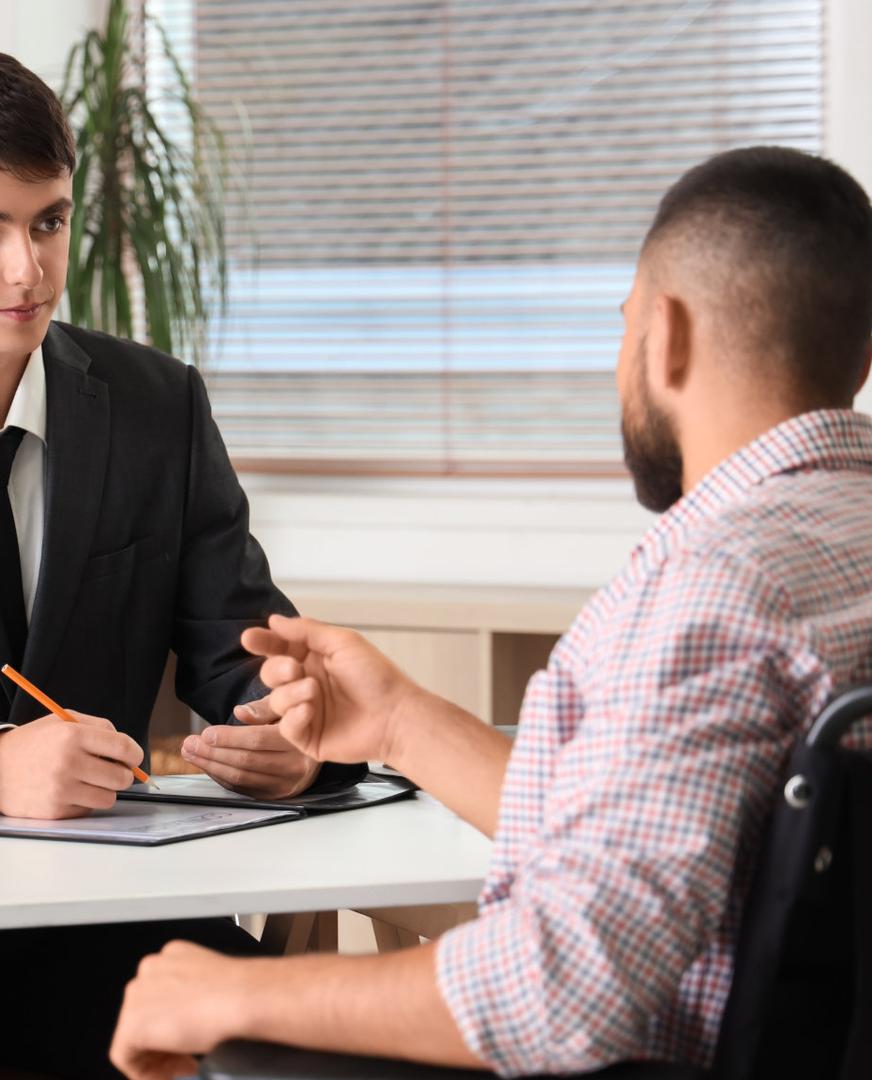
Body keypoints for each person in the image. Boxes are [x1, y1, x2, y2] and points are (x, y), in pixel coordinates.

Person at [109, 145, 872, 1079]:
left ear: (665, 336)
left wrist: (231, 991)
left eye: (623, 323)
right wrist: (396, 721)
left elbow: (564, 988)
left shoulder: (716, 589)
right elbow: (649, 829)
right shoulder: (839, 546)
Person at [0, 48, 360, 1079]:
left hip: (115, 939)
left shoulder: (158, 406)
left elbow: (241, 650)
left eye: (48, 221)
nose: (28, 269)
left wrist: (286, 730)